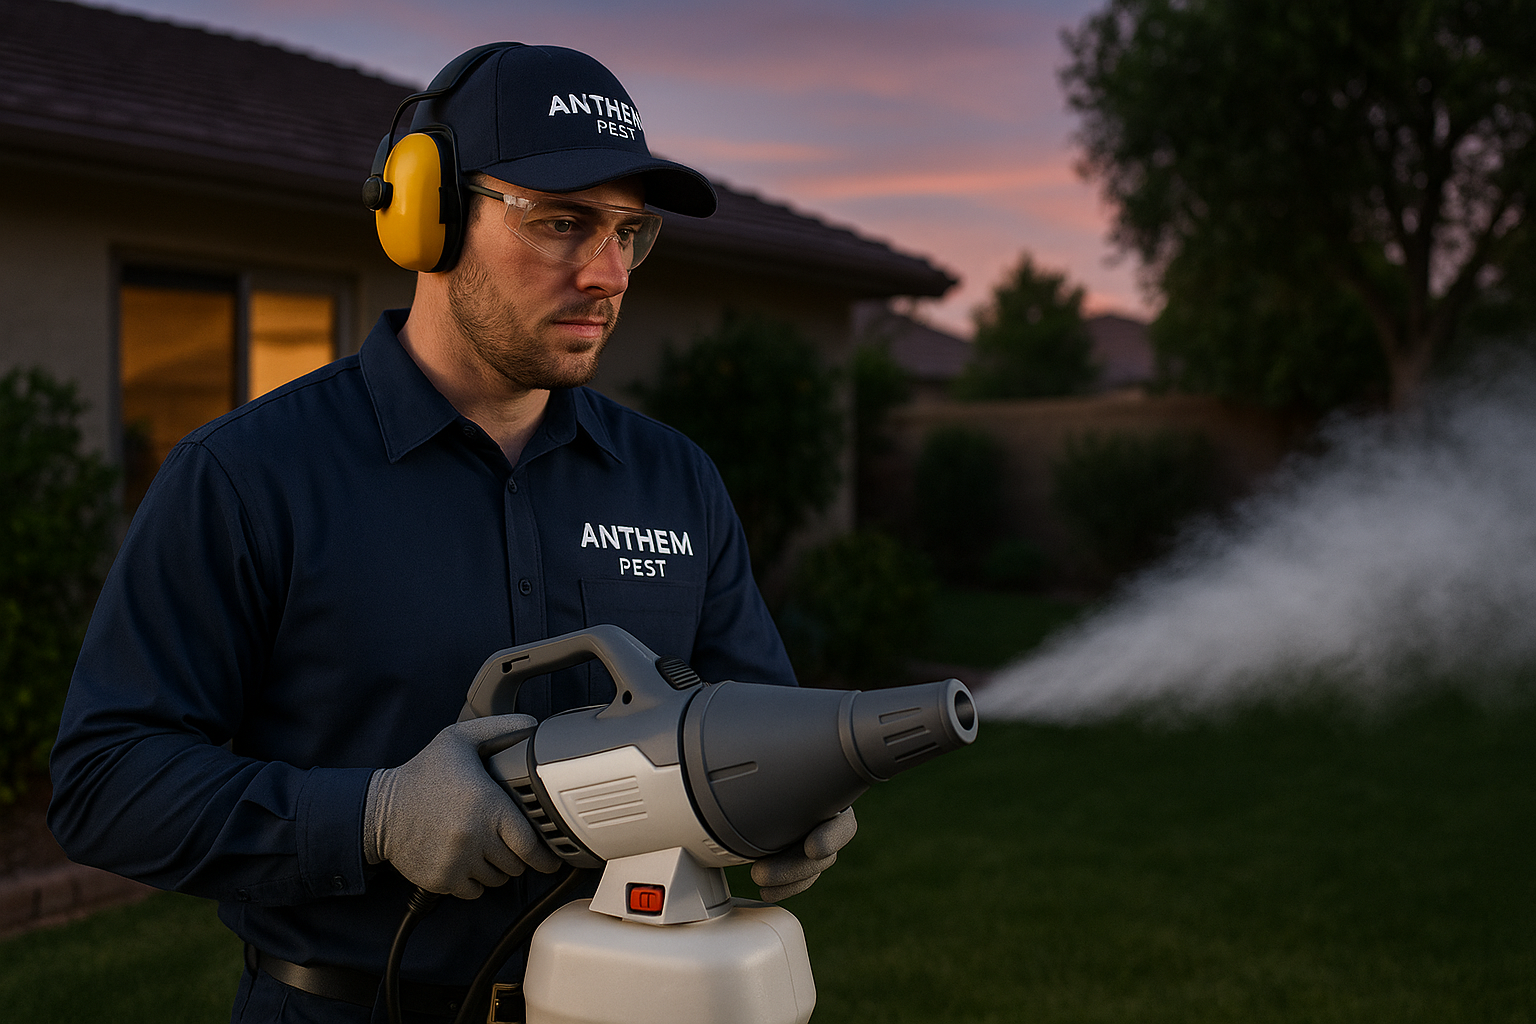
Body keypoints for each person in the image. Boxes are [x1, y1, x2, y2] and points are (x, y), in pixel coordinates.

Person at [48, 43, 854, 1024]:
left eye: (629, 232)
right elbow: (106, 781)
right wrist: (372, 817)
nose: (607, 274)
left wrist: (781, 800)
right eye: (563, 222)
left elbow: (748, 719)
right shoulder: (250, 476)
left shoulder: (675, 480)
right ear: (425, 212)